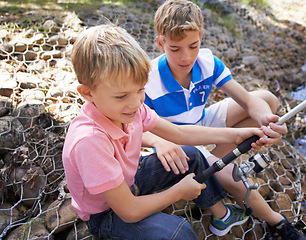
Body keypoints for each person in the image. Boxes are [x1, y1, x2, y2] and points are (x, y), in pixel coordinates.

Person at [62, 24, 268, 240]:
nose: (135, 103)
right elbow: (129, 211)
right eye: (121, 96)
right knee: (177, 231)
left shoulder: (129, 109)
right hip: (106, 213)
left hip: (129, 180)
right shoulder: (90, 141)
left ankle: (221, 215)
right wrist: (178, 192)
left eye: (140, 89)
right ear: (88, 92)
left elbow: (180, 134)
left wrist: (237, 135)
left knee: (192, 154)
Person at [143, 0, 303, 239]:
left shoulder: (207, 62)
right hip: (177, 141)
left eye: (193, 46)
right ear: (160, 42)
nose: (185, 57)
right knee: (233, 178)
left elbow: (248, 101)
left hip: (201, 121)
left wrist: (267, 120)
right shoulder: (148, 78)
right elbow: (134, 125)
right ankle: (277, 222)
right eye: (175, 49)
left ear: (201, 37)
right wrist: (159, 143)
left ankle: (216, 161)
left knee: (267, 99)